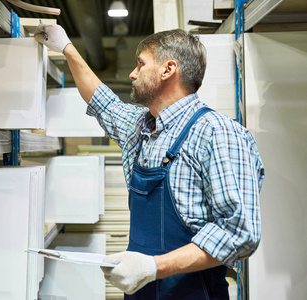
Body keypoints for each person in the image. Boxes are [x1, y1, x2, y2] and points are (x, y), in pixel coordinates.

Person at [35, 24, 264, 299]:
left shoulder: (218, 134)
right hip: (141, 291)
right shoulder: (140, 128)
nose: (132, 73)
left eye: (140, 64)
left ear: (168, 70)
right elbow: (101, 101)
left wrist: (154, 267)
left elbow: (240, 233)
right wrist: (66, 47)